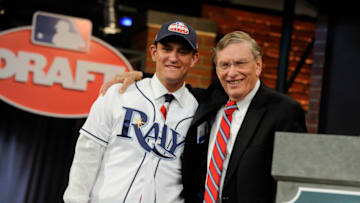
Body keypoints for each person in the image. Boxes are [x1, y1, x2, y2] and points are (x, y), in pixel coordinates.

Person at [100, 31, 307, 203]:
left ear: (258, 65)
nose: (232, 73)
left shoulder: (284, 111)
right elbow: (182, 90)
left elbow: (294, 184)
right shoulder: (212, 100)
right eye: (224, 65)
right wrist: (143, 77)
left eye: (240, 63)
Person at [63, 20, 200, 203]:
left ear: (194, 59)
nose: (173, 58)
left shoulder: (200, 111)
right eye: (167, 49)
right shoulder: (119, 94)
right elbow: (88, 152)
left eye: (182, 51)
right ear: (154, 52)